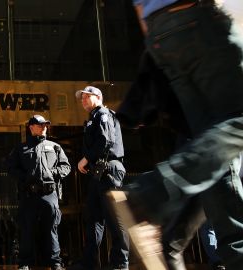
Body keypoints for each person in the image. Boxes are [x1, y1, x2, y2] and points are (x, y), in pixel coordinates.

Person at [108, 1, 243, 269]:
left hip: (161, 33)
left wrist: (155, 42)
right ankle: (149, 197)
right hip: (200, 17)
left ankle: (237, 255)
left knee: (213, 141)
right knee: (236, 123)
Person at [72, 86, 129, 270]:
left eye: (86, 97)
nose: (82, 101)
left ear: (97, 97)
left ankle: (120, 264)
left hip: (109, 169)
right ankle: (90, 263)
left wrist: (85, 159)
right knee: (94, 218)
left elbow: (105, 141)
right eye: (81, 98)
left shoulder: (103, 114)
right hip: (99, 171)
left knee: (115, 217)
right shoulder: (94, 117)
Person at [8, 114, 71, 270]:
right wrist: (26, 178)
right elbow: (11, 168)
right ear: (31, 127)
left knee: (52, 229)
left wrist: (53, 174)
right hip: (29, 194)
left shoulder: (54, 146)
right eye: (40, 125)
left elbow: (66, 167)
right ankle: (24, 264)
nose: (44, 127)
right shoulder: (21, 148)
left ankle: (55, 263)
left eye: (45, 125)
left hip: (49, 194)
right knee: (26, 228)